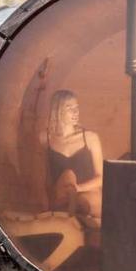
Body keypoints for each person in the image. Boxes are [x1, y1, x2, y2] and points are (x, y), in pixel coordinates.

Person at [46, 90, 103, 220]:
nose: (75, 112)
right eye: (69, 108)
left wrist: (77, 188)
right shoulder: (47, 140)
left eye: (76, 107)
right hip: (62, 199)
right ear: (58, 111)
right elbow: (47, 180)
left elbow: (101, 178)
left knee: (82, 203)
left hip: (89, 197)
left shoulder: (90, 138)